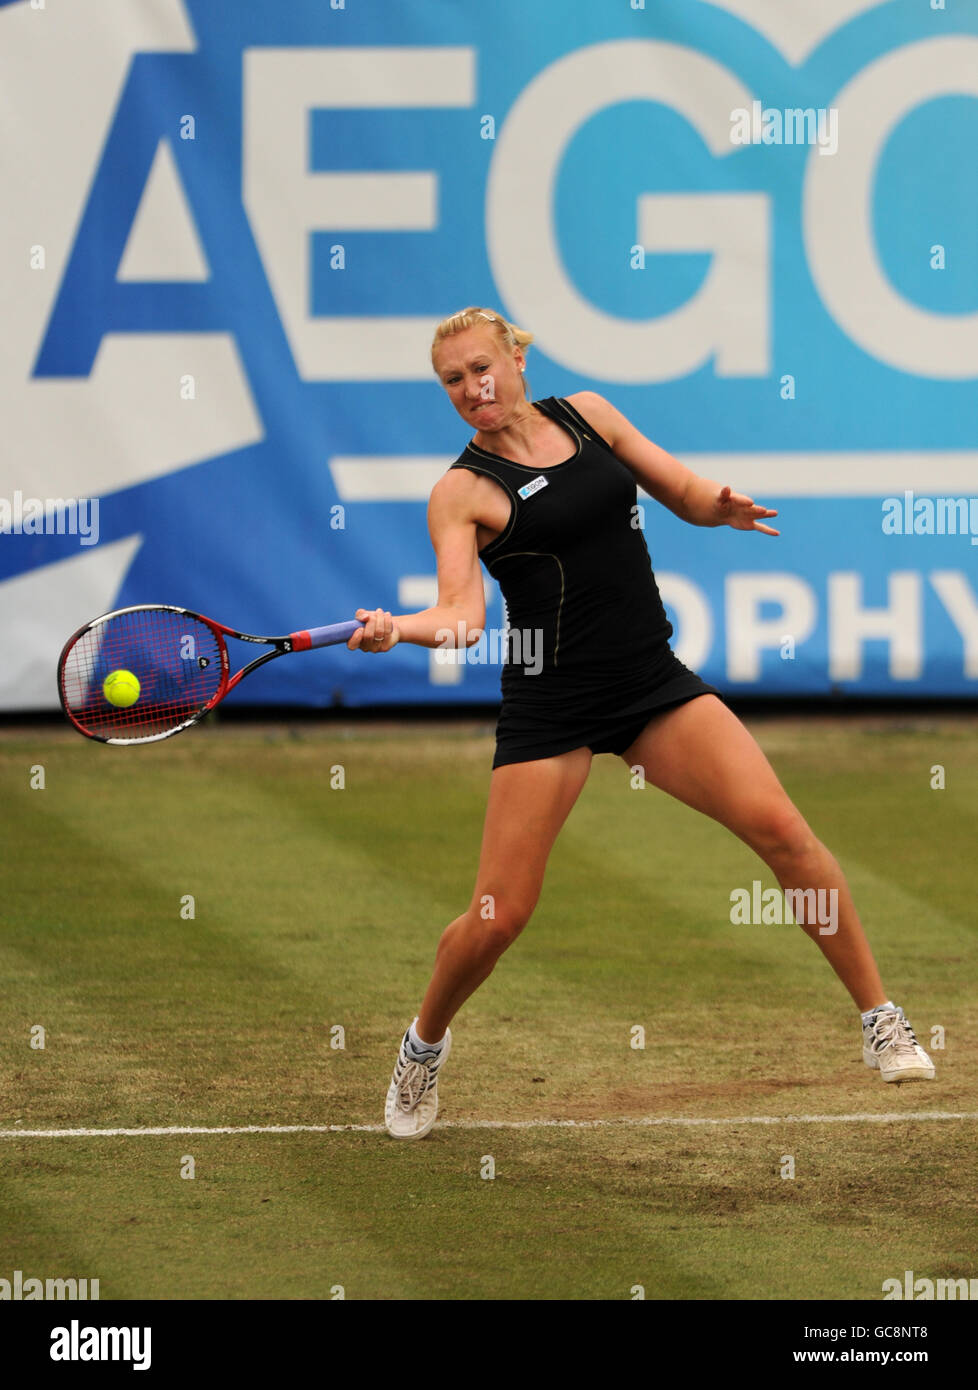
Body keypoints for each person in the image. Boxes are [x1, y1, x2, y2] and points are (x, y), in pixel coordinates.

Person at [347, 306, 935, 1140]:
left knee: (786, 835)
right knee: (499, 914)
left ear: (517, 357)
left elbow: (682, 491)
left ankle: (882, 1020)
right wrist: (396, 629)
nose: (473, 389)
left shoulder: (589, 413)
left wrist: (718, 505)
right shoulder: (461, 491)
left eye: (483, 367)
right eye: (453, 380)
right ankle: (423, 1046)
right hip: (552, 702)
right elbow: (461, 618)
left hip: (650, 683)